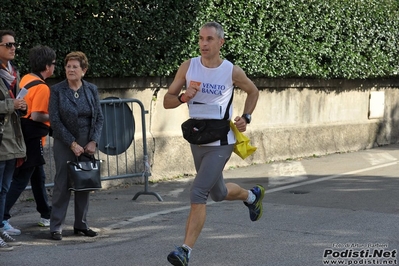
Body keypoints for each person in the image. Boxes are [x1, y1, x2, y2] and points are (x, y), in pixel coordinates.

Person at [163, 22, 264, 266]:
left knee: (198, 192)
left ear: (220, 43)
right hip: (197, 139)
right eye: (200, 39)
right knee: (217, 193)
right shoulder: (189, 66)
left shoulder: (231, 71)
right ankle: (252, 197)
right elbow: (167, 101)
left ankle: (185, 250)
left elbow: (253, 91)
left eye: (209, 39)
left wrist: (246, 117)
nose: (203, 44)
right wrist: (184, 97)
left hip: (221, 141)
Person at [48, 51, 103, 241]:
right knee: (62, 183)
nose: (70, 70)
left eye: (75, 67)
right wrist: (72, 143)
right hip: (65, 141)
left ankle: (81, 224)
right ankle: (55, 226)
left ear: (84, 70)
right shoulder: (57, 90)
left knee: (84, 182)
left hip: (87, 140)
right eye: (68, 66)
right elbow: (55, 121)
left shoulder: (91, 90)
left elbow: (99, 118)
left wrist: (93, 141)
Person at [3, 45, 56, 236]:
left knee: (37, 176)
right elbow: (37, 115)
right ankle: (3, 216)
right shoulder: (42, 87)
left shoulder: (25, 78)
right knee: (21, 179)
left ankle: (46, 213)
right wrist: (54, 118)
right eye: (54, 64)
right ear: (47, 66)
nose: (54, 68)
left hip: (23, 134)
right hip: (34, 138)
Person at [0, 29, 27, 251]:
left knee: (4, 188)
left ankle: (0, 226)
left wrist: (21, 106)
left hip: (11, 138)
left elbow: (14, 103)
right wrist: (12, 105)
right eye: (7, 44)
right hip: (1, 139)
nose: (12, 47)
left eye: (14, 44)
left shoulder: (12, 72)